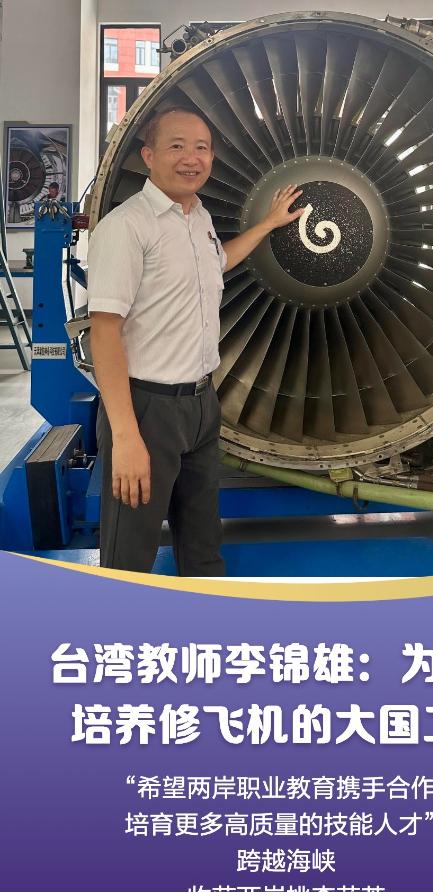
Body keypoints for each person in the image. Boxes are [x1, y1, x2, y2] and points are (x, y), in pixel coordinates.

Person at [88, 107, 302, 576]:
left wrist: (268, 224)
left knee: (203, 545)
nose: (191, 158)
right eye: (177, 146)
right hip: (147, 409)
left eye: (201, 148)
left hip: (202, 406)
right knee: (130, 555)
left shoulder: (197, 215)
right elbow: (103, 331)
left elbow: (217, 262)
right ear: (148, 156)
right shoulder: (126, 227)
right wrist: (125, 436)